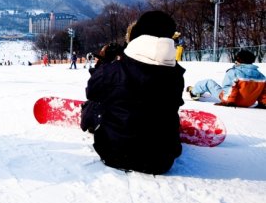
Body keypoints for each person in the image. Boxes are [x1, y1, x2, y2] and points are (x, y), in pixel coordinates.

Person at [81, 11, 185, 175]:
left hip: (113, 153)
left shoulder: (115, 70)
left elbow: (92, 91)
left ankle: (89, 121)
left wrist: (104, 63)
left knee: (97, 102)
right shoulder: (176, 76)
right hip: (161, 162)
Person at [187, 50, 266, 107]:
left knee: (208, 83)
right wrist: (263, 103)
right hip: (249, 103)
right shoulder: (261, 76)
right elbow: (264, 92)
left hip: (233, 101)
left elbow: (229, 87)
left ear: (239, 60)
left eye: (237, 59)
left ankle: (194, 93)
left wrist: (229, 101)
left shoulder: (234, 72)